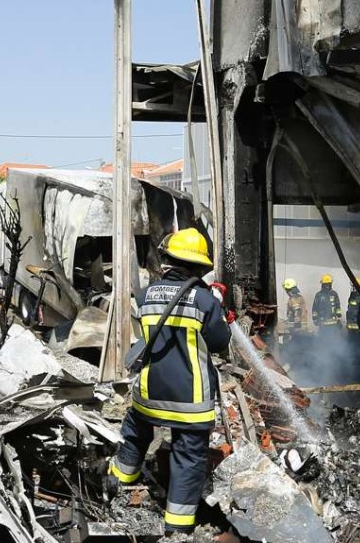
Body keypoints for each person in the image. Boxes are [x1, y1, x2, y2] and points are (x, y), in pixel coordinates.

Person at [108, 228, 231, 540]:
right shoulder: (204, 299)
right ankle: (176, 526)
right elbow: (219, 342)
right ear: (199, 267)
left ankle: (118, 484)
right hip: (190, 401)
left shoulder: (148, 295)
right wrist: (215, 305)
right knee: (188, 458)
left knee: (135, 434)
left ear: (169, 261)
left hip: (150, 393)